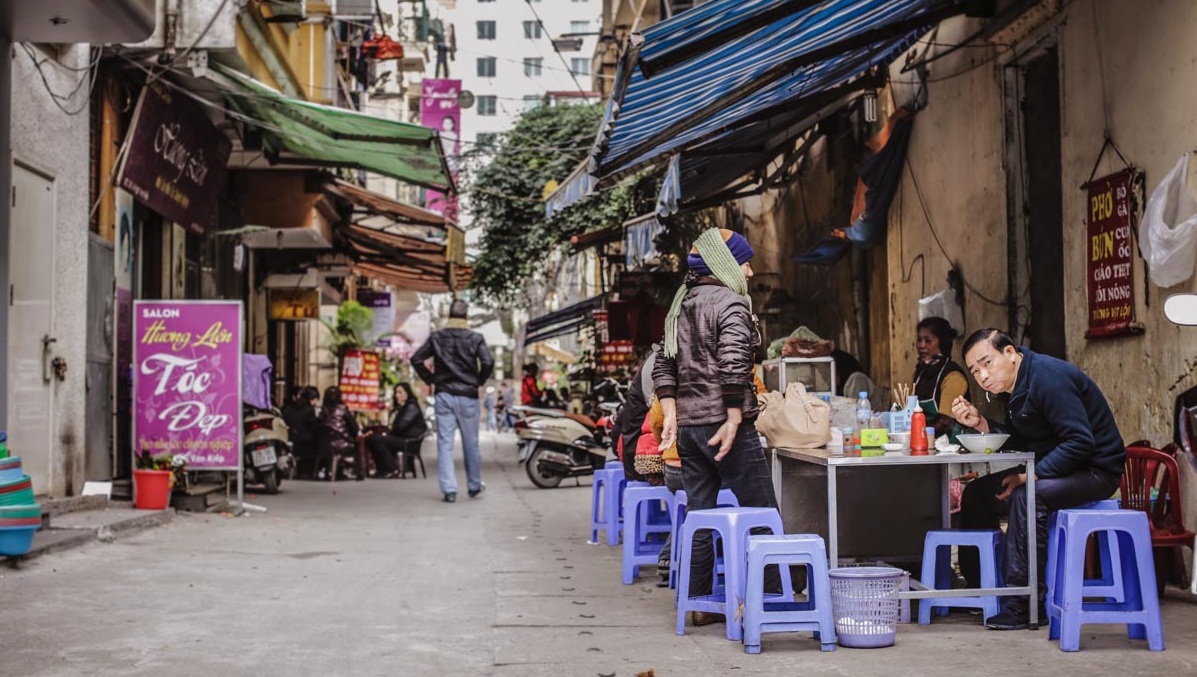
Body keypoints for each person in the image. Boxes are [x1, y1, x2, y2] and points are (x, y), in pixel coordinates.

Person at [951, 328, 1126, 630]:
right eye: (975, 370)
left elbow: (1080, 442)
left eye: (986, 363)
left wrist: (1029, 476)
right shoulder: (1015, 388)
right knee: (978, 493)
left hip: (1094, 471)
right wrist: (980, 424)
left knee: (1027, 496)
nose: (982, 375)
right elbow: (1022, 443)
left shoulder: (1047, 377)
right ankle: (985, 590)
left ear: (1009, 353)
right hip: (1059, 468)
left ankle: (1024, 604)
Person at [655, 228, 782, 628]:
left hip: (691, 430)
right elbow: (732, 364)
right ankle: (772, 599)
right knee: (763, 513)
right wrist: (731, 419)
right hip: (725, 424)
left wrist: (673, 415)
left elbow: (664, 364)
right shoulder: (730, 304)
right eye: (744, 262)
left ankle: (697, 602)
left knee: (700, 515)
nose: (749, 272)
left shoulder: (681, 303)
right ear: (725, 264)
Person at [411, 299, 495, 503]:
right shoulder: (475, 338)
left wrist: (430, 379)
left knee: (445, 444)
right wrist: (479, 380)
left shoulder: (437, 337)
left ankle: (449, 489)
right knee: (471, 444)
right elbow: (488, 361)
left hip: (444, 395)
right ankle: (474, 485)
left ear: (449, 315)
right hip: (468, 396)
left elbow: (416, 359)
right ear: (466, 317)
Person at [913, 316, 969, 425]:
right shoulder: (921, 372)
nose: (921, 345)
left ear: (943, 343)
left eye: (928, 340)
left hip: (948, 439)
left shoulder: (953, 376)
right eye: (919, 340)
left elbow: (946, 421)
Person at [365, 383, 428, 478]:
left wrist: (389, 431)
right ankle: (384, 470)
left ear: (407, 393)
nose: (397, 395)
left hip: (409, 442)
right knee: (373, 439)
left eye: (400, 392)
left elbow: (400, 427)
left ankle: (391, 469)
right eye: (396, 392)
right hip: (402, 439)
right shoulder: (404, 407)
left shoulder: (411, 407)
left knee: (375, 439)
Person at [319, 386, 361, 481]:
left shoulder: (322, 411)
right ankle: (359, 472)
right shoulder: (343, 410)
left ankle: (332, 471)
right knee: (357, 445)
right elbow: (354, 427)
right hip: (343, 444)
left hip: (324, 444)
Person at [283, 386, 320, 477]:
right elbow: (314, 428)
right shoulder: (309, 410)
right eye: (315, 400)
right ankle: (308, 472)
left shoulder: (288, 408)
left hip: (290, 441)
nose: (316, 403)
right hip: (304, 444)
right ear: (311, 399)